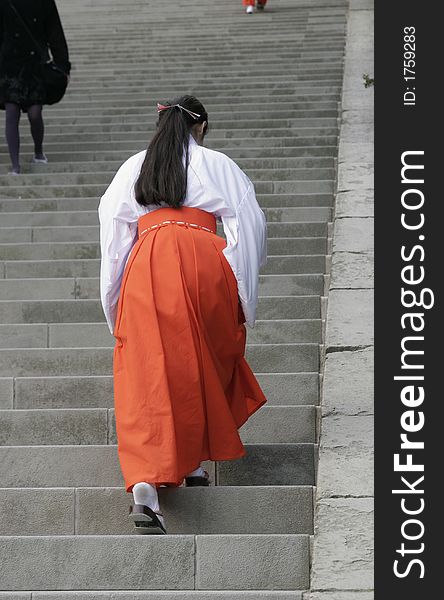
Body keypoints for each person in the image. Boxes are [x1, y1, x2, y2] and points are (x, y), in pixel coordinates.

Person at [98, 95, 268, 534]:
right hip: (204, 257)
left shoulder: (133, 167)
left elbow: (114, 237)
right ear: (202, 128)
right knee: (198, 362)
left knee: (148, 372)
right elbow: (248, 226)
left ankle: (145, 487)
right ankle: (191, 463)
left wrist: (114, 302)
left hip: (147, 260)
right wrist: (242, 293)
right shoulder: (218, 164)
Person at [0, 0, 71, 175]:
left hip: (34, 65)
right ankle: (15, 165)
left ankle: (38, 152)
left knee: (35, 112)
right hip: (9, 65)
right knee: (12, 112)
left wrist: (63, 65)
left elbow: (55, 34)